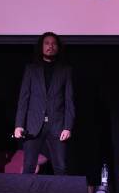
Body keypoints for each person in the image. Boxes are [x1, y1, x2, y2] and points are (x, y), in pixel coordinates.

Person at [14, 32, 75, 175]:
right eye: (47, 43)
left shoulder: (65, 71)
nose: (50, 46)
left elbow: (69, 101)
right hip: (33, 126)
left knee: (61, 167)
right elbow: (24, 99)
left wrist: (68, 127)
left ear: (58, 48)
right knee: (28, 166)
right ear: (41, 46)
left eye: (53, 44)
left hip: (57, 126)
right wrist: (18, 125)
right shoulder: (31, 69)